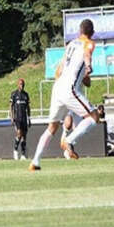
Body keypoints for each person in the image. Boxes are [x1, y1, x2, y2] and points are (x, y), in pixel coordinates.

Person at [29, 19, 99, 171]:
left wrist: (83, 76)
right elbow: (87, 53)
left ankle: (35, 161)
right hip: (69, 88)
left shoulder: (71, 45)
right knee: (94, 117)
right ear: (92, 33)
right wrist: (88, 65)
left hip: (58, 86)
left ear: (79, 31)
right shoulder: (90, 43)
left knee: (52, 127)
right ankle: (69, 141)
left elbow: (60, 70)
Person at [10, 78, 31, 160]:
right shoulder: (14, 94)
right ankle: (15, 150)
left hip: (24, 118)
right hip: (17, 118)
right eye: (20, 84)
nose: (21, 85)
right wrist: (11, 116)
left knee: (24, 136)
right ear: (18, 84)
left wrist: (29, 118)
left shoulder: (26, 95)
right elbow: (11, 106)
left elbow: (28, 108)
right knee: (19, 134)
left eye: (23, 84)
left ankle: (23, 154)